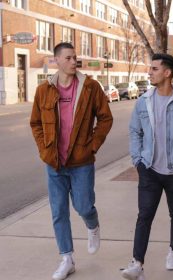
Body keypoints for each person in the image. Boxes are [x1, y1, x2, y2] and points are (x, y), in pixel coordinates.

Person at [29, 42, 113, 280]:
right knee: (58, 212)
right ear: (56, 61)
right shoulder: (44, 90)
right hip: (54, 163)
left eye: (75, 57)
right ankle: (67, 258)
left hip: (81, 162)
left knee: (84, 206)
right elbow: (36, 123)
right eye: (68, 58)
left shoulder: (90, 87)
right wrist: (44, 149)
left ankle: (93, 225)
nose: (73, 61)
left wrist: (93, 145)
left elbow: (105, 119)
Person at [123, 53, 173, 280]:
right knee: (144, 214)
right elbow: (135, 131)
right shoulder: (143, 101)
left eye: (154, 69)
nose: (150, 72)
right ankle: (137, 263)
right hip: (149, 169)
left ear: (167, 73)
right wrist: (138, 161)